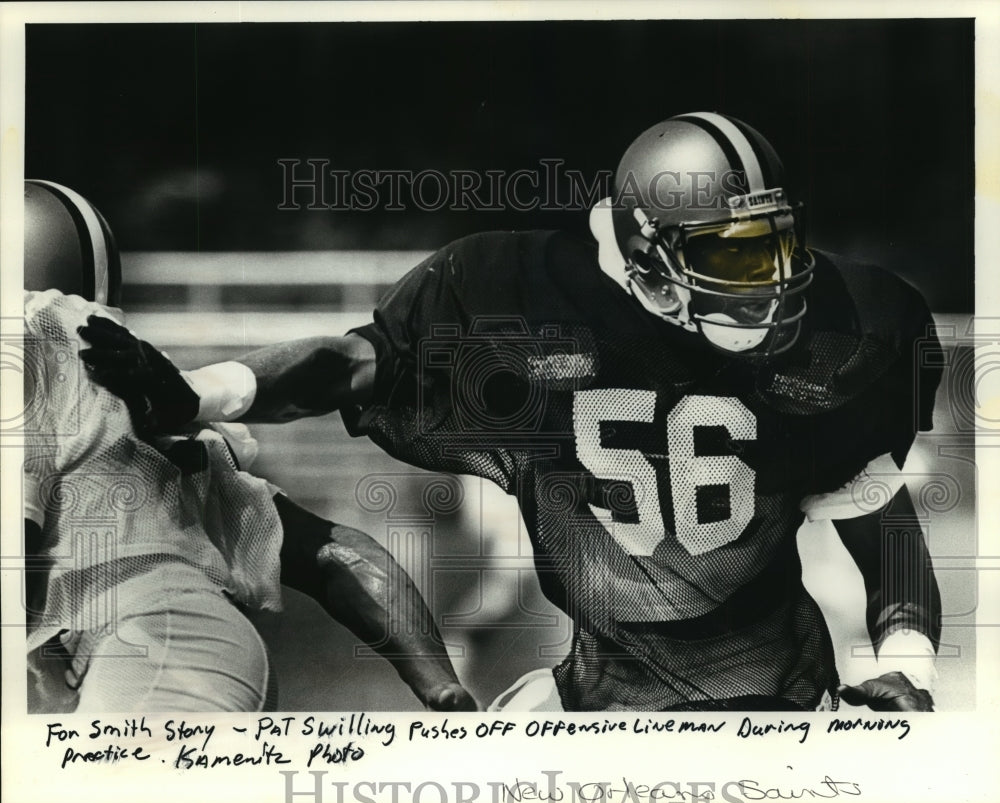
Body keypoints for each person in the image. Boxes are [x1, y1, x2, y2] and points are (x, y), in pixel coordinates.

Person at [79, 112, 944, 712]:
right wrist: (202, 392)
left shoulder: (824, 344)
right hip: (595, 706)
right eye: (731, 255)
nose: (774, 280)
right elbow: (349, 364)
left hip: (776, 709)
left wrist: (908, 667)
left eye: (776, 245)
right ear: (645, 253)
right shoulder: (527, 304)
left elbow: (891, 541)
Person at [22, 179, 475, 713]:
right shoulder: (146, 416)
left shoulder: (27, 351)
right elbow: (335, 552)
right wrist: (440, 685)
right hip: (184, 644)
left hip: (142, 647)